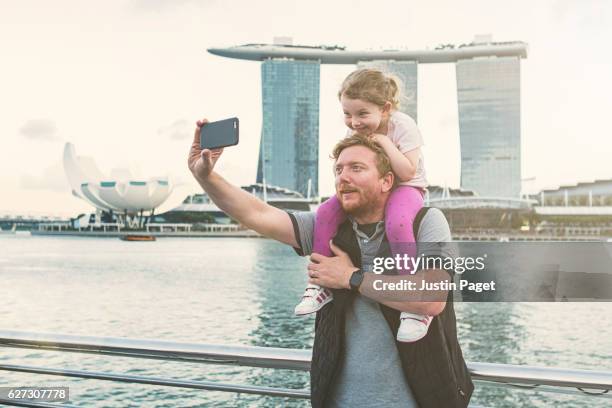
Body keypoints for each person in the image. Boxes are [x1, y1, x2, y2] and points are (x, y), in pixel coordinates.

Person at [188, 127, 473, 408]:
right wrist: (205, 177)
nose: (343, 177)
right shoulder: (327, 229)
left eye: (357, 168)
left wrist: (351, 277)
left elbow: (432, 298)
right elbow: (256, 213)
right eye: (338, 170)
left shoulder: (425, 222)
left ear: (387, 181)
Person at [294, 68, 430, 343]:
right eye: (347, 114)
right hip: (372, 187)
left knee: (397, 223)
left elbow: (406, 171)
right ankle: (318, 284)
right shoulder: (355, 128)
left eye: (362, 114)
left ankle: (413, 300)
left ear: (386, 108)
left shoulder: (402, 126)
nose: (354, 122)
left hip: (406, 187)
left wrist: (382, 142)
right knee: (325, 212)